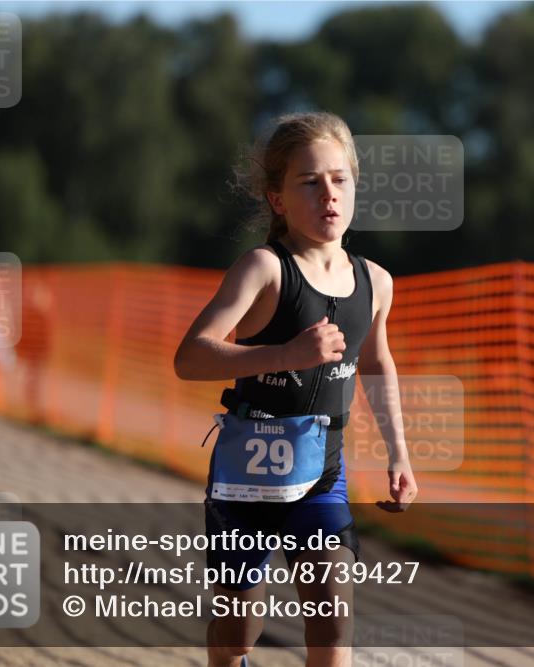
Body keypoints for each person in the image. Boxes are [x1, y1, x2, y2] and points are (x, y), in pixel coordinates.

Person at [174, 110, 417, 667]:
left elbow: (377, 364)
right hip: (247, 478)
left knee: (334, 621)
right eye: (309, 183)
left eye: (340, 179)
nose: (328, 195)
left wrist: (398, 453)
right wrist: (284, 355)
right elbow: (189, 357)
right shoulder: (263, 269)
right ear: (278, 199)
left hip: (323, 474)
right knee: (239, 630)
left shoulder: (376, 281)